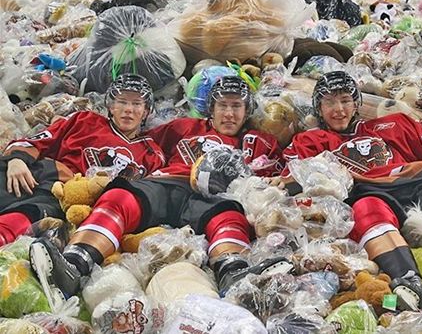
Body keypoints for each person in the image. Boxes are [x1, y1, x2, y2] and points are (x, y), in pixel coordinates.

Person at [30, 76, 292, 303]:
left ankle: (234, 273)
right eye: (222, 106)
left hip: (214, 198)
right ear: (210, 109)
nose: (229, 114)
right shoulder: (182, 127)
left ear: (247, 111)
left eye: (237, 106)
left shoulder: (260, 142)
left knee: (231, 215)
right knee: (119, 196)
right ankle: (74, 265)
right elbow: (134, 142)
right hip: (165, 184)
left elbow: (279, 178)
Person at [280, 71, 422, 311]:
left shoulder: (395, 123)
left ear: (356, 104)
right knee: (365, 209)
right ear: (318, 107)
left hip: (417, 179)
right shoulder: (310, 140)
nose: (339, 109)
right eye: (329, 102)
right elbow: (294, 176)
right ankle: (409, 284)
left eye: (345, 100)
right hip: (366, 190)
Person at [0, 73, 164, 246]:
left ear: (146, 111)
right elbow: (40, 140)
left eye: (137, 103)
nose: (128, 109)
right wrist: (17, 160)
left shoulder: (152, 154)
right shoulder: (84, 120)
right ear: (110, 106)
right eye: (122, 101)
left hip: (68, 204)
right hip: (42, 175)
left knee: (33, 214)